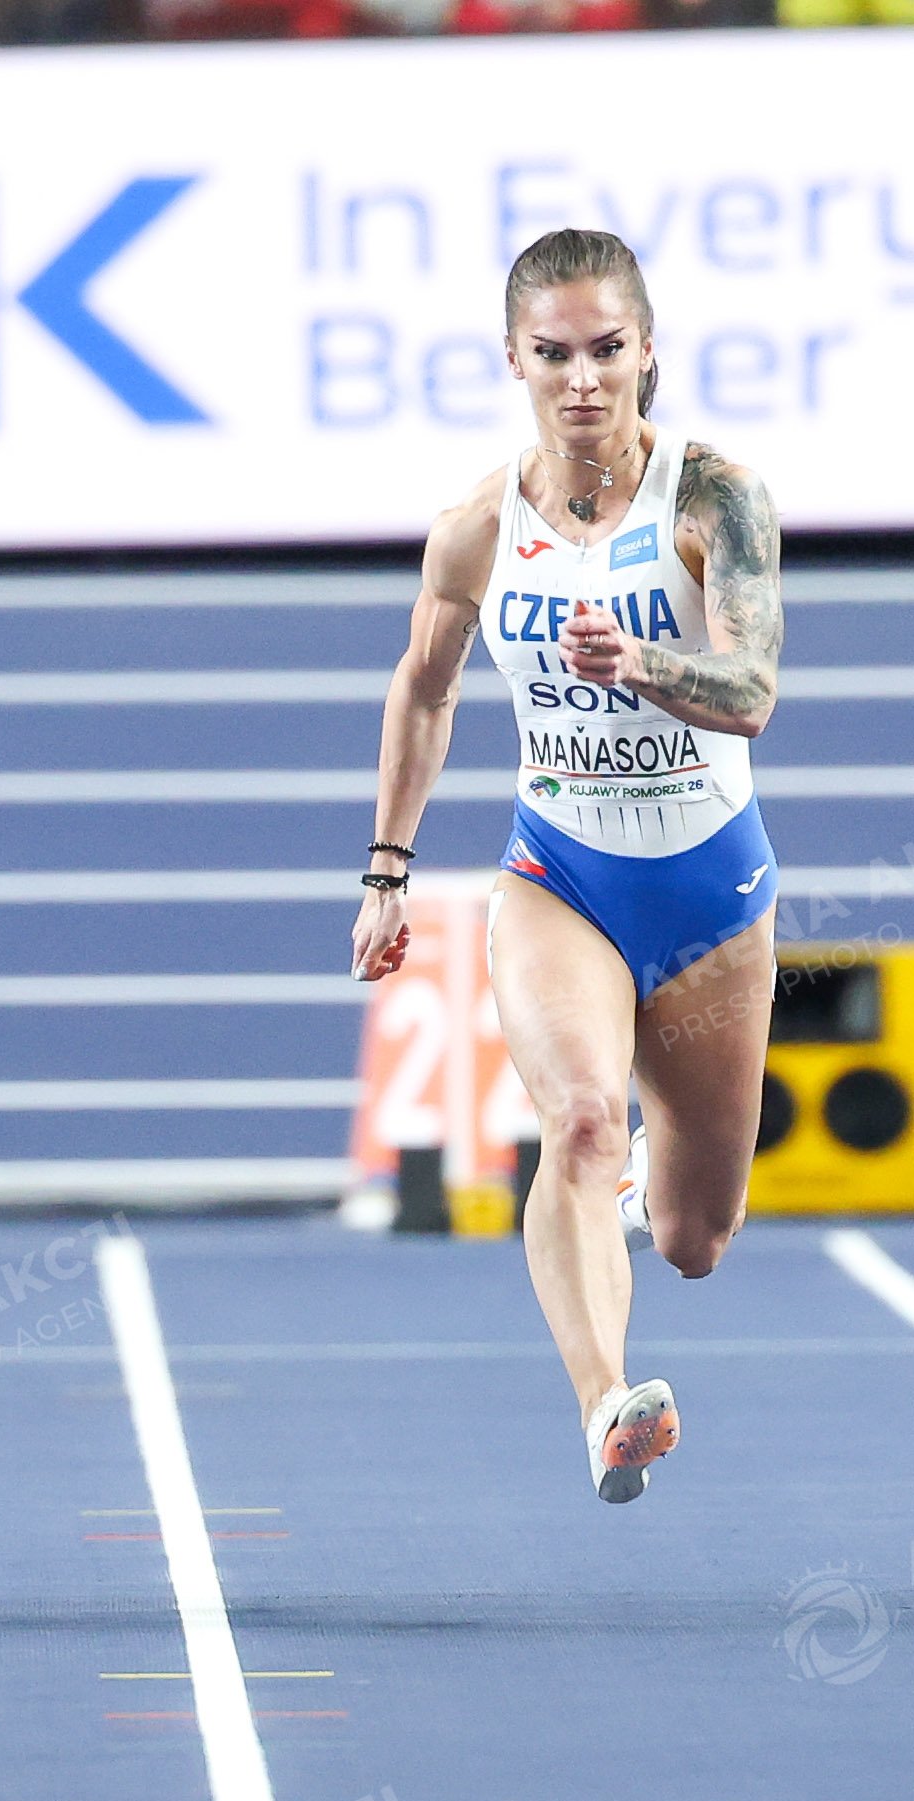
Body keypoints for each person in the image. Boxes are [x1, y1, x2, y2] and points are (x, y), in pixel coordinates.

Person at [353, 227, 781, 1504]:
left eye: (605, 349)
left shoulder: (711, 500)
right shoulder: (475, 530)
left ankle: (642, 1194)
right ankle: (605, 1402)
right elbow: (422, 688)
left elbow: (751, 690)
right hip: (560, 874)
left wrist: (637, 661)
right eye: (552, 354)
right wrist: (385, 868)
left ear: (646, 351)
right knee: (580, 1119)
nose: (581, 378)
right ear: (512, 359)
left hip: (708, 893)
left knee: (694, 1237)